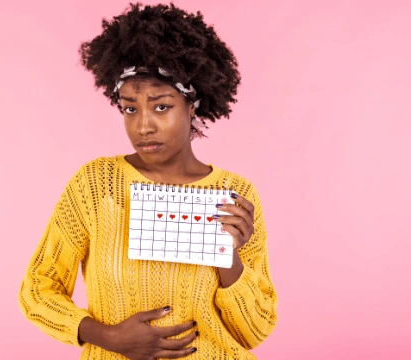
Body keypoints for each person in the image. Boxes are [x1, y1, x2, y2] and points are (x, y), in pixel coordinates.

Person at [18, 3, 278, 359]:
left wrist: (227, 258)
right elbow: (38, 290)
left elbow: (255, 331)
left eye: (161, 106)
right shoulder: (96, 185)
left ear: (193, 106)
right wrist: (107, 337)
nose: (143, 126)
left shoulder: (235, 195)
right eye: (129, 108)